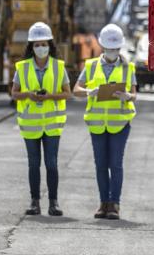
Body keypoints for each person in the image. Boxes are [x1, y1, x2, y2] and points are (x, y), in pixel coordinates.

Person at [73, 24, 137, 220]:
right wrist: (87, 92)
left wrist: (127, 96)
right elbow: (76, 90)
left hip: (119, 124)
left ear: (120, 48)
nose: (112, 52)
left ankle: (114, 204)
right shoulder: (91, 66)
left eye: (116, 49)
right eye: (109, 49)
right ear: (102, 47)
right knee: (101, 164)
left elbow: (134, 94)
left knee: (115, 164)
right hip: (97, 123)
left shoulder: (129, 67)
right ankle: (103, 204)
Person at [11, 22, 71, 216]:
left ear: (50, 45)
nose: (40, 48)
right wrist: (29, 94)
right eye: (36, 45)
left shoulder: (58, 66)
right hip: (30, 125)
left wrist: (49, 97)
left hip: (52, 125)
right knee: (33, 164)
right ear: (31, 47)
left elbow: (67, 93)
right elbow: (14, 93)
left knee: (51, 164)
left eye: (43, 44)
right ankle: (34, 202)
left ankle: (53, 202)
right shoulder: (22, 67)